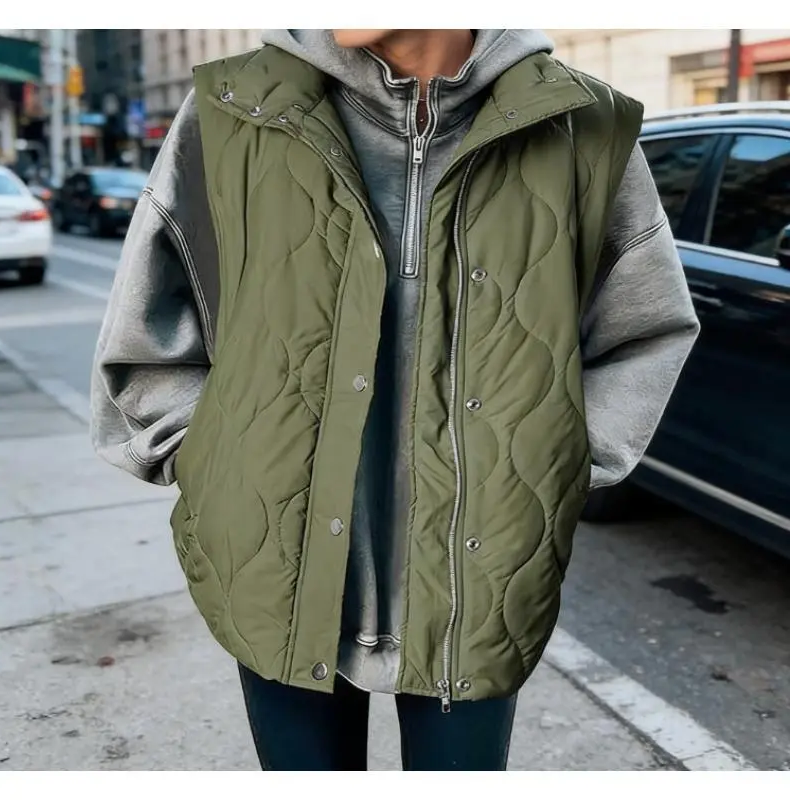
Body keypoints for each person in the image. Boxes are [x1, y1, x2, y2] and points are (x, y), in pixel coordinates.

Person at [90, 29, 700, 771]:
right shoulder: (234, 107)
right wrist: (218, 468)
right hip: (270, 559)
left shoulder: (580, 123)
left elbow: (644, 330)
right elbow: (147, 332)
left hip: (483, 579)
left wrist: (554, 471)